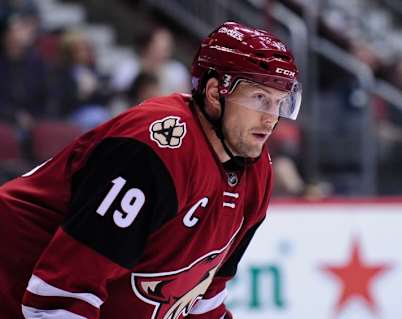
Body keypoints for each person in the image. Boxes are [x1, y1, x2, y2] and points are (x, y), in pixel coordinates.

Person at [0, 21, 302, 319]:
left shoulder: (257, 173)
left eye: (280, 102)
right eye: (260, 98)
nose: (271, 119)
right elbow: (58, 299)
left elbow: (201, 300)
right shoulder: (152, 152)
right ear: (214, 93)